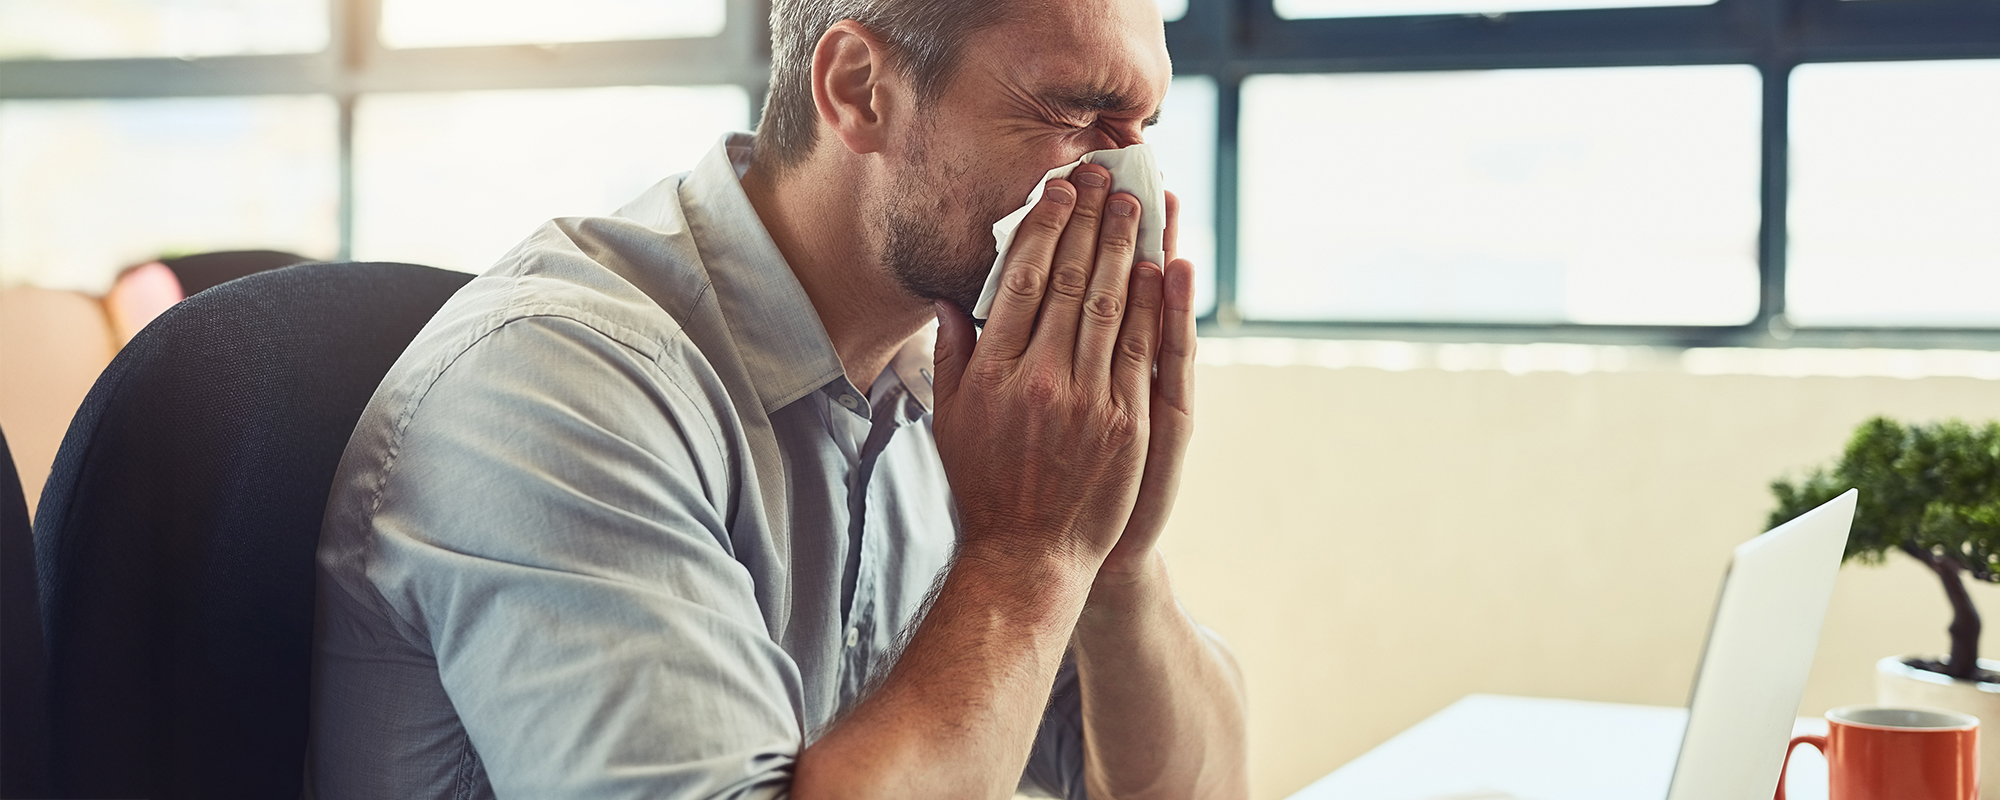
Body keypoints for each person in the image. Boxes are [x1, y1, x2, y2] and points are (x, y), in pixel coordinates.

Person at [308, 0, 1250, 796]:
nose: (1131, 186)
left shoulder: (960, 389)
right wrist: (1027, 555)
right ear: (858, 89)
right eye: (1075, 112)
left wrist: (1112, 561)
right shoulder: (558, 383)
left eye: (1145, 129)